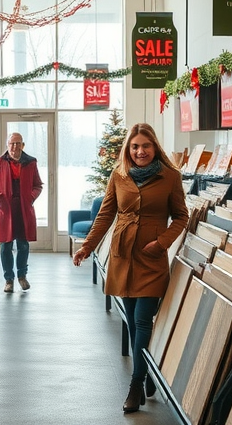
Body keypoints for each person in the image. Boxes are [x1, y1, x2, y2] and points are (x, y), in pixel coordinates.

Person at [73, 122, 189, 414]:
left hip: (151, 258)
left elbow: (181, 217)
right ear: (129, 148)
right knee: (130, 317)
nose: (140, 151)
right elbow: (105, 215)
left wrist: (162, 243)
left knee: (141, 320)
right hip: (123, 255)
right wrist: (87, 246)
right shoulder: (119, 175)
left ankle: (136, 383)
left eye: (145, 146)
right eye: (135, 146)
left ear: (154, 147)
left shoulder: (170, 176)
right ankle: (146, 371)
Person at [0, 133, 43, 293]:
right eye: (12, 144)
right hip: (5, 209)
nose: (15, 147)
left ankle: (22, 277)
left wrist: (31, 197)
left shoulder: (31, 163)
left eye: (18, 144)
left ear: (23, 145)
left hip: (24, 209)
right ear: (7, 145)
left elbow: (38, 185)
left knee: (23, 245)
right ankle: (8, 280)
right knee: (5, 246)